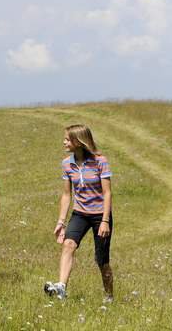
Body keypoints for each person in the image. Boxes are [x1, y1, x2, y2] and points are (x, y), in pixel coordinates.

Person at [44, 124, 114, 301]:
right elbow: (67, 195)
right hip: (80, 213)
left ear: (79, 141)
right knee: (68, 244)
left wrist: (105, 221)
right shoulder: (67, 164)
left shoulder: (100, 161)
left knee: (101, 260)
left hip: (100, 215)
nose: (64, 142)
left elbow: (107, 193)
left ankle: (109, 295)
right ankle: (61, 288)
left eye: (67, 139)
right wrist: (61, 222)